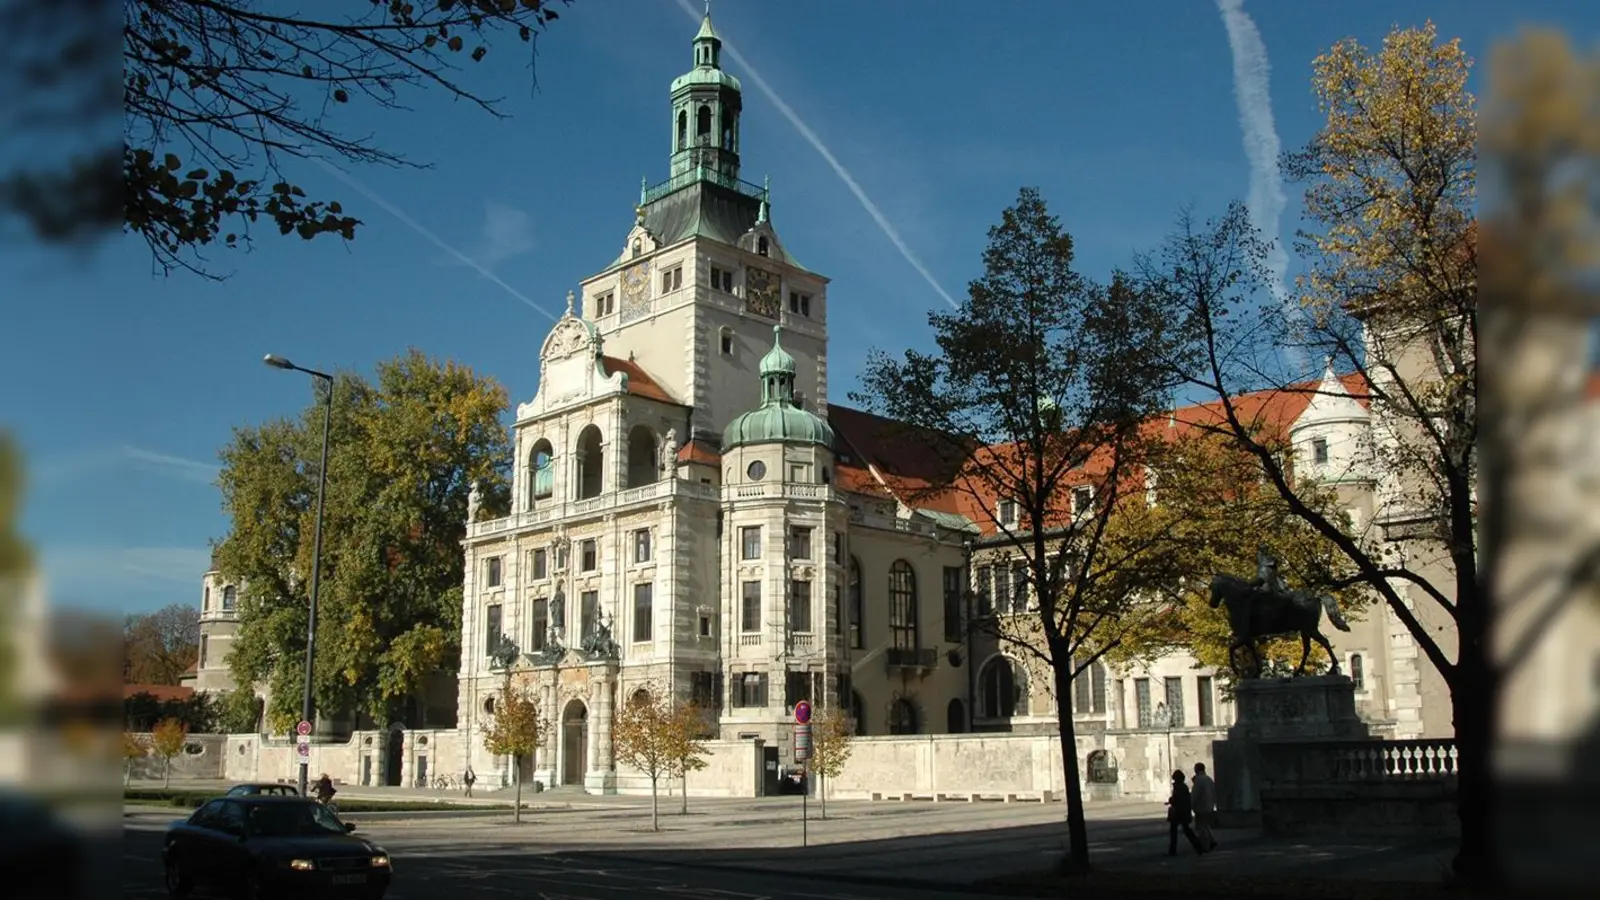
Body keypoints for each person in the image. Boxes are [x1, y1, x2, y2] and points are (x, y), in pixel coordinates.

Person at [1165, 770, 1206, 856]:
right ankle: (1199, 847)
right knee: (1186, 831)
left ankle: (1173, 850)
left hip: (1178, 812)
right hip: (1184, 812)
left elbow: (1177, 799)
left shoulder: (1178, 787)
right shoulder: (1184, 787)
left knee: (1176, 831)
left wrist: (1171, 800)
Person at [1191, 762, 1219, 851]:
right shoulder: (1209, 779)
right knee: (1205, 825)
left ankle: (1205, 845)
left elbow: (1195, 795)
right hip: (1209, 806)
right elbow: (1214, 792)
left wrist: (1192, 804)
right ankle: (1212, 841)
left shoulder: (1199, 780)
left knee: (1201, 827)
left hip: (1201, 807)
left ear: (1197, 769)